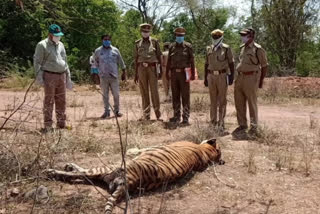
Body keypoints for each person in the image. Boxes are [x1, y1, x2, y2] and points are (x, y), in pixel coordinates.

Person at [33, 24, 73, 131]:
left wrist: (68, 77)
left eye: (59, 35)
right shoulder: (42, 45)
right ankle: (48, 125)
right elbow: (37, 62)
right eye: (55, 35)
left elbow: (65, 61)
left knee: (61, 100)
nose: (57, 37)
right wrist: (39, 78)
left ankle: (61, 124)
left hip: (62, 75)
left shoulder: (61, 45)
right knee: (49, 101)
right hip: (49, 75)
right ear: (50, 34)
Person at [232, 28, 268, 136]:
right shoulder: (242, 48)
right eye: (242, 35)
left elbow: (265, 66)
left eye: (244, 35)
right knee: (239, 102)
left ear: (251, 36)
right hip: (240, 77)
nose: (242, 37)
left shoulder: (258, 49)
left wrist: (261, 81)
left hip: (251, 78)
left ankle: (254, 127)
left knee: (252, 103)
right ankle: (242, 125)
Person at [204, 29, 234, 131]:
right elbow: (206, 64)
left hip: (222, 75)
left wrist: (231, 77)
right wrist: (205, 78)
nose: (215, 39)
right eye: (214, 37)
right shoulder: (209, 48)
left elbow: (231, 63)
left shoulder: (226, 48)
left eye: (217, 37)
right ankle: (213, 122)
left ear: (221, 37)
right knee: (213, 100)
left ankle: (221, 122)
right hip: (211, 76)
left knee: (222, 100)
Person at [166, 27, 195, 125]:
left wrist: (193, 74)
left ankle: (185, 117)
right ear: (175, 35)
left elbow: (192, 60)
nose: (179, 37)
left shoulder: (188, 46)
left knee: (185, 95)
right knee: (175, 95)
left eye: (181, 36)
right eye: (178, 35)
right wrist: (166, 73)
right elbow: (169, 61)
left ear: (184, 36)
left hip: (184, 74)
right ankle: (176, 116)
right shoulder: (171, 46)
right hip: (174, 73)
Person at [134, 23, 162, 121]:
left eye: (147, 31)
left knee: (154, 92)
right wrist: (135, 74)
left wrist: (160, 71)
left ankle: (158, 115)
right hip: (141, 69)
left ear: (149, 32)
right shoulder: (137, 43)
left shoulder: (154, 42)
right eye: (144, 31)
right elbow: (136, 58)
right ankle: (146, 115)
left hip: (152, 68)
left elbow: (159, 56)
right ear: (141, 32)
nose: (145, 33)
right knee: (144, 92)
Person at [94, 34, 126, 119]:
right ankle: (106, 112)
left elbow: (121, 62)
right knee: (105, 95)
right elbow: (95, 63)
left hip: (114, 76)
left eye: (108, 39)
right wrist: (96, 75)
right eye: (105, 39)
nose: (107, 41)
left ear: (110, 40)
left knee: (116, 94)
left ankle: (117, 111)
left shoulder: (115, 50)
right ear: (102, 40)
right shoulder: (98, 51)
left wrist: (124, 72)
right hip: (103, 76)